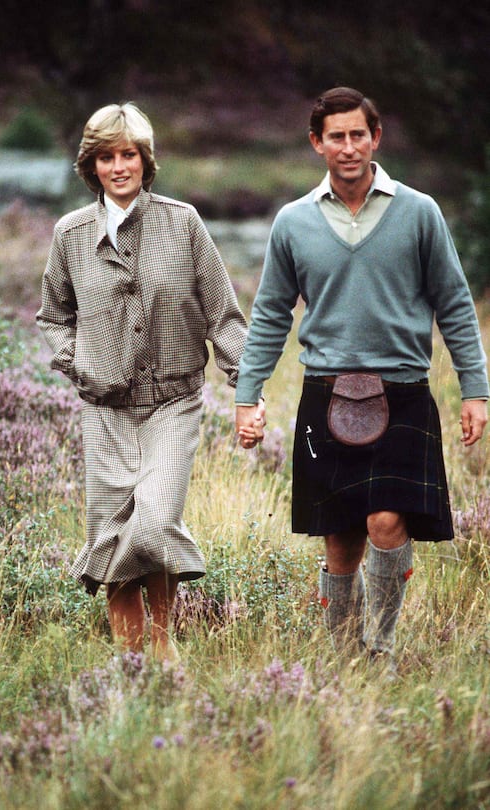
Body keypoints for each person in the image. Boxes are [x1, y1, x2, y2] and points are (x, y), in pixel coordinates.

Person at [236, 87, 488, 669]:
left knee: (387, 517)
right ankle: (346, 656)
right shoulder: (293, 222)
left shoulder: (419, 211)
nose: (347, 147)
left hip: (402, 390)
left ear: (376, 137)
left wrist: (475, 390)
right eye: (335, 136)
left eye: (358, 134)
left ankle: (382, 647)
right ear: (316, 144)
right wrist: (248, 396)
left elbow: (453, 302)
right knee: (342, 537)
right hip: (326, 392)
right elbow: (272, 312)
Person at [37, 102, 263, 660]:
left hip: (173, 404)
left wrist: (246, 389)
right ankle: (134, 666)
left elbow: (224, 314)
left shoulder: (182, 222)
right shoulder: (70, 234)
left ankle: (162, 651)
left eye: (129, 155)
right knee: (112, 537)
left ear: (146, 160)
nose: (119, 166)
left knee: (155, 524)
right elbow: (52, 314)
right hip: (105, 409)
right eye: (107, 157)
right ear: (92, 165)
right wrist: (75, 361)